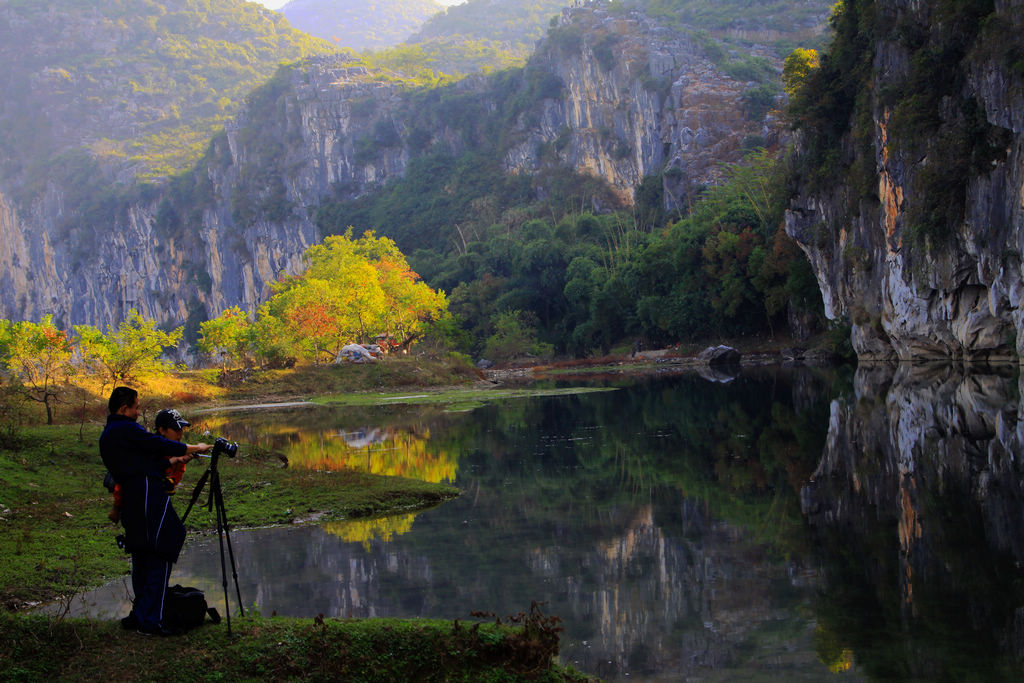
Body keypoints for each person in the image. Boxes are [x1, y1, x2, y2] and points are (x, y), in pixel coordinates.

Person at [99, 386, 211, 636]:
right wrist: (192, 448)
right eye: (135, 407)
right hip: (147, 495)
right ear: (123, 408)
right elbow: (155, 444)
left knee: (141, 554)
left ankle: (140, 614)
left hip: (134, 499)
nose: (138, 412)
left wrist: (174, 461)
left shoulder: (109, 434)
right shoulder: (125, 428)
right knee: (163, 548)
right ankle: (152, 621)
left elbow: (142, 462)